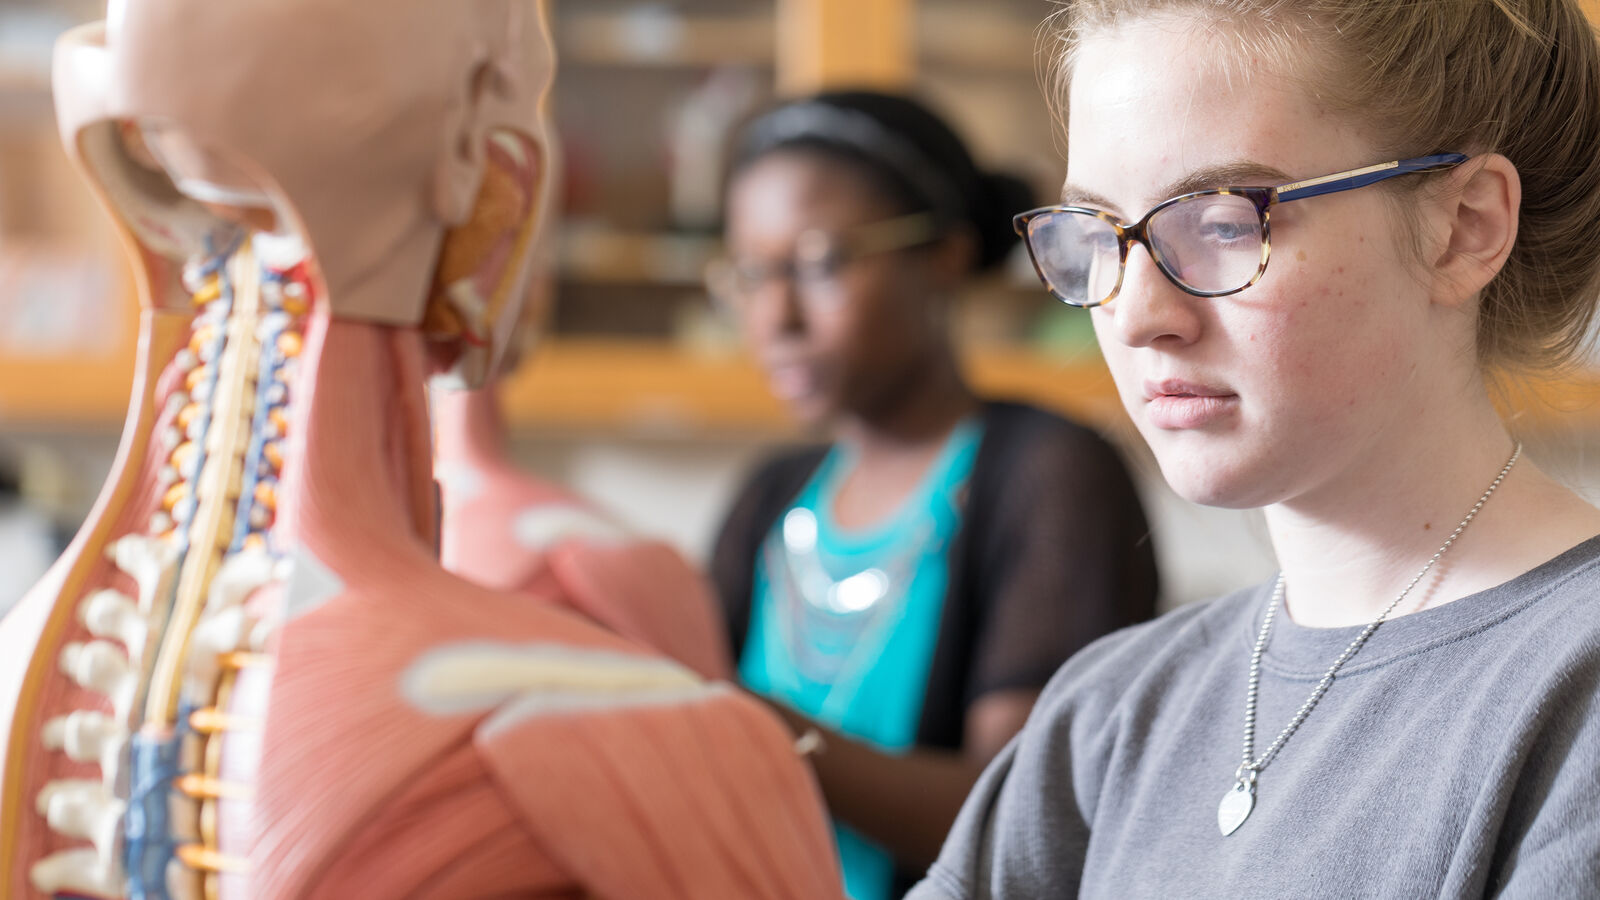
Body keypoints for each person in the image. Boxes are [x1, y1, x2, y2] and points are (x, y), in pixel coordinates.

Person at [909, 1, 1600, 897]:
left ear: (1465, 227)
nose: (1138, 316)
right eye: (1099, 233)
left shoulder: (1571, 695)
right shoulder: (1109, 715)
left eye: (1223, 222)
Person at [710, 90, 1160, 899]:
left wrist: (748, 729)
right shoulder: (771, 498)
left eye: (818, 264)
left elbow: (1022, 816)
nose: (775, 316)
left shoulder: (1045, 474)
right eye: (751, 272)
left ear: (944, 256)